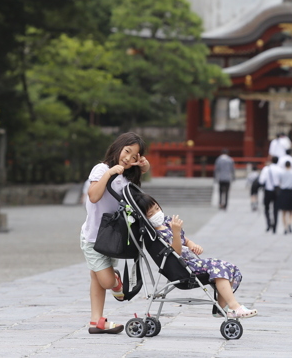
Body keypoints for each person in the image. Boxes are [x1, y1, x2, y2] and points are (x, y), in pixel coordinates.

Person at [134, 192, 257, 319]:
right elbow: (175, 252)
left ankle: (222, 307)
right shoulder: (155, 235)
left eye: (157, 208)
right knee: (219, 269)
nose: (157, 213)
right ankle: (234, 306)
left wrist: (192, 244)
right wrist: (175, 233)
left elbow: (184, 240)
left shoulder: (167, 222)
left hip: (191, 263)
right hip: (183, 268)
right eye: (151, 214)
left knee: (229, 267)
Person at [82, 132, 150, 334]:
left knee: (97, 280)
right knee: (107, 281)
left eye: (134, 156)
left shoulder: (126, 178)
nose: (128, 158)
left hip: (111, 238)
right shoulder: (102, 169)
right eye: (127, 151)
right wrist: (110, 173)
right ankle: (116, 280)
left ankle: (96, 321)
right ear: (118, 147)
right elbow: (93, 196)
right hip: (93, 237)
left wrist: (144, 167)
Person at [276, 159, 292, 234]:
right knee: (291, 211)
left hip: (283, 192)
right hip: (291, 192)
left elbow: (279, 182)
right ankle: (289, 223)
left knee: (283, 212)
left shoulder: (281, 172)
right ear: (291, 165)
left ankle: (285, 227)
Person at [259, 157, 280, 233]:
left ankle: (268, 223)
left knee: (267, 208)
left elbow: (261, 180)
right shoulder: (280, 169)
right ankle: (275, 226)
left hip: (268, 190)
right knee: (276, 209)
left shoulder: (266, 169)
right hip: (277, 191)